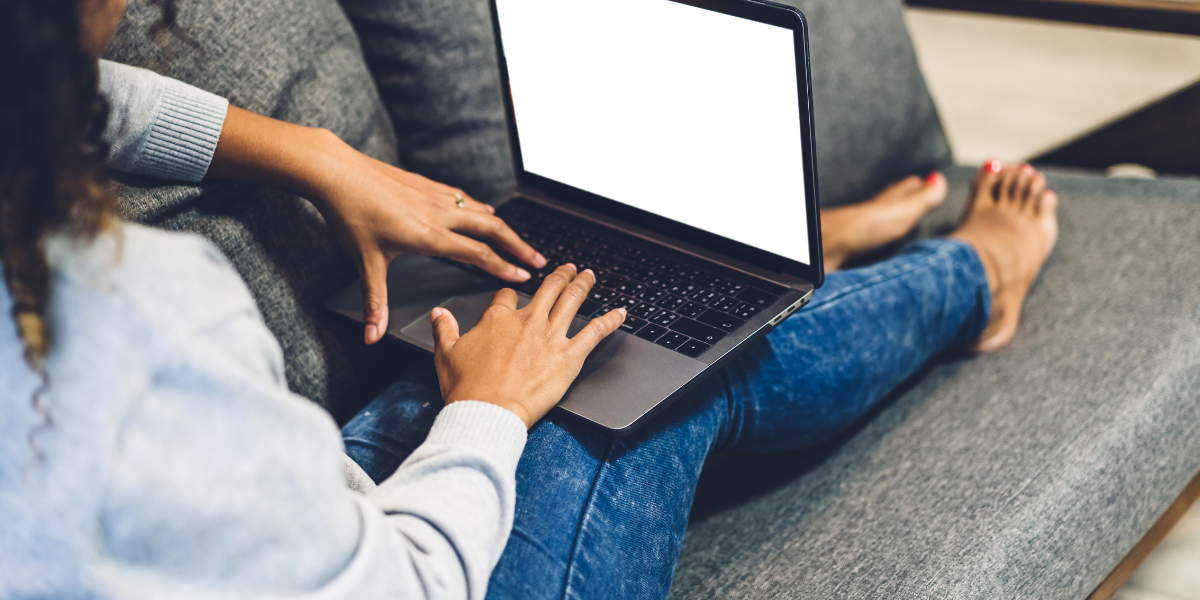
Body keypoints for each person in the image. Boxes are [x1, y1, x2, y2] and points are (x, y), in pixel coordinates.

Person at [0, 1, 1058, 600]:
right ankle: (972, 273)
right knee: (635, 372)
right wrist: (491, 414)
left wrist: (312, 156)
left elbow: (75, 94)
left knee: (550, 341)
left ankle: (796, 253)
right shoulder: (139, 313)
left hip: (282, 538)